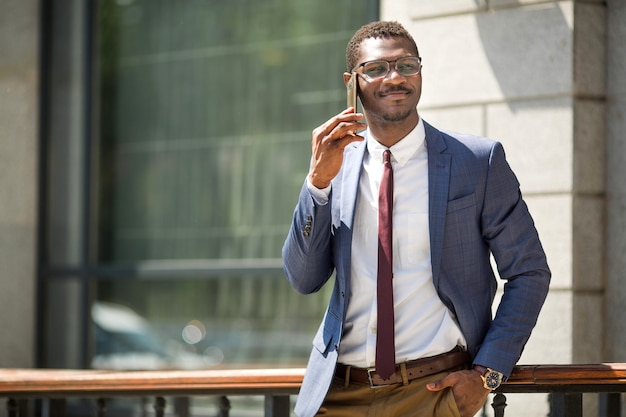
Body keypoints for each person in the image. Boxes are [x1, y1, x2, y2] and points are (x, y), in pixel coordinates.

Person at [282, 21, 550, 417]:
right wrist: (317, 184)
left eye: (406, 65)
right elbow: (303, 279)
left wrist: (486, 374)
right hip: (338, 395)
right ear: (351, 82)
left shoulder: (476, 163)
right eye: (376, 69)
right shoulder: (335, 168)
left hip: (433, 394)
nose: (395, 78)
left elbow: (529, 272)